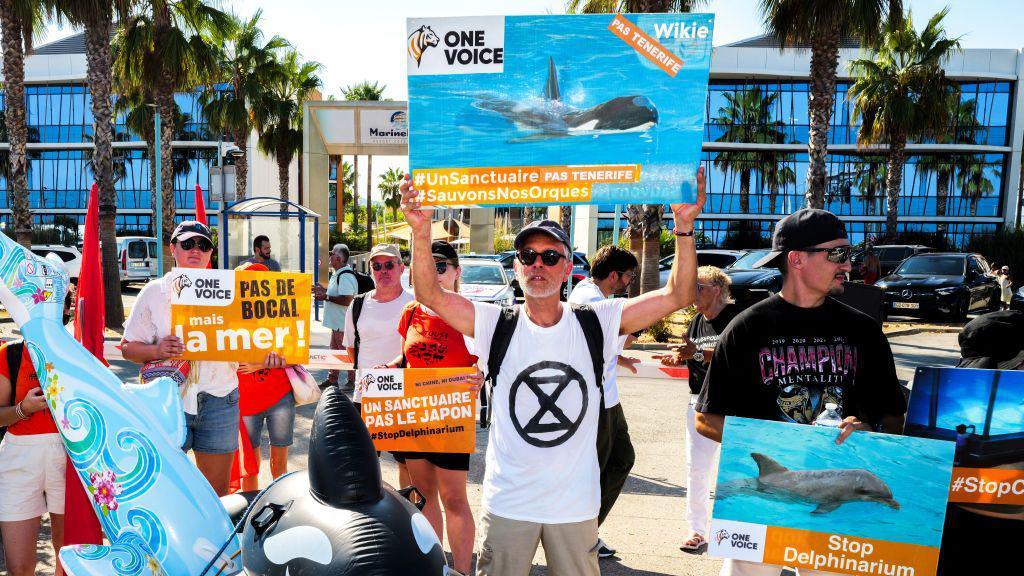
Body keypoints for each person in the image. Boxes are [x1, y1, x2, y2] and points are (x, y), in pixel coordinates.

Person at [401, 168, 704, 576]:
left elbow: (678, 295)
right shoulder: (495, 323)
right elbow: (430, 294)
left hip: (575, 506)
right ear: (517, 268)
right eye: (527, 256)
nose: (537, 264)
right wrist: (421, 232)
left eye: (550, 256)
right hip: (509, 503)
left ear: (568, 269)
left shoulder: (597, 320)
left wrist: (684, 228)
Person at [693, 209, 908, 576]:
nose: (849, 266)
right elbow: (706, 419)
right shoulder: (747, 328)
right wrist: (775, 446)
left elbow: (892, 415)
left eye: (850, 254)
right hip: (766, 498)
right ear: (796, 259)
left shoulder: (863, 330)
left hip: (834, 502)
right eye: (838, 254)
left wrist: (868, 433)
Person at [122, 221, 284, 496]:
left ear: (211, 253)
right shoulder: (154, 292)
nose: (195, 250)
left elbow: (255, 345)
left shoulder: (235, 293)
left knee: (216, 495)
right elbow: (127, 347)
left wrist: (266, 357)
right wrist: (157, 350)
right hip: (169, 401)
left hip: (221, 401)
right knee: (167, 492)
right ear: (173, 249)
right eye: (187, 244)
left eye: (203, 245)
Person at [378, 240, 481, 575]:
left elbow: (490, 361)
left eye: (441, 266)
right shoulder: (411, 312)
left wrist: (481, 375)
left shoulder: (469, 313)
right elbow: (408, 355)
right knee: (422, 496)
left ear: (456, 272)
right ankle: (436, 567)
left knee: (454, 499)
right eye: (428, 266)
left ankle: (462, 571)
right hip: (415, 413)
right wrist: (391, 368)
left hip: (450, 414)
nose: (435, 274)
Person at [655, 265, 739, 555]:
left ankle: (736, 534)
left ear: (717, 289)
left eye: (698, 287)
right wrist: (679, 358)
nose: (693, 294)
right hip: (700, 403)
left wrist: (699, 353)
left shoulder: (737, 320)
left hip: (734, 406)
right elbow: (695, 358)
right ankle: (697, 531)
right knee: (697, 470)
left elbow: (739, 360)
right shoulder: (696, 322)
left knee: (735, 471)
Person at [566, 245, 641, 559]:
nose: (628, 283)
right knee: (595, 470)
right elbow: (615, 335)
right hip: (595, 403)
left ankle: (585, 532)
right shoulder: (591, 301)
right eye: (628, 277)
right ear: (614, 275)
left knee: (621, 460)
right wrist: (636, 326)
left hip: (607, 399)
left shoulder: (590, 295)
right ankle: (579, 537)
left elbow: (602, 346)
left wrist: (620, 358)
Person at [0, 293, 74, 576]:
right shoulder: (11, 353)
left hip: (69, 457)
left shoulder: (79, 350)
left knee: (67, 560)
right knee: (19, 568)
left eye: (62, 303)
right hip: (19, 457)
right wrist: (23, 409)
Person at [343, 243, 415, 488]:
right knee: (364, 462)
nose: (383, 271)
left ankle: (410, 515)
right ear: (371, 270)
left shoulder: (415, 304)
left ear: (401, 268)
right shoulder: (358, 304)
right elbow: (351, 348)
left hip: (404, 395)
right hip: (366, 395)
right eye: (377, 266)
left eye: (389, 265)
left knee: (407, 463)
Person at [235, 262, 295, 492]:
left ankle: (280, 510)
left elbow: (296, 355)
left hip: (279, 397)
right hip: (245, 400)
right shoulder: (227, 319)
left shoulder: (283, 315)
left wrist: (259, 362)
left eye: (259, 283)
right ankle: (250, 515)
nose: (252, 288)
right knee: (249, 467)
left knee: (279, 464)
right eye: (246, 284)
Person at [314, 243, 359, 390]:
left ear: (338, 258)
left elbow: (347, 299)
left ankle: (351, 381)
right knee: (335, 351)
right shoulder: (338, 274)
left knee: (345, 352)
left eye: (332, 254)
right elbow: (337, 293)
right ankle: (332, 379)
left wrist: (326, 296)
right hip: (337, 323)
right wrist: (325, 291)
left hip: (342, 323)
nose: (330, 256)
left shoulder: (344, 276)